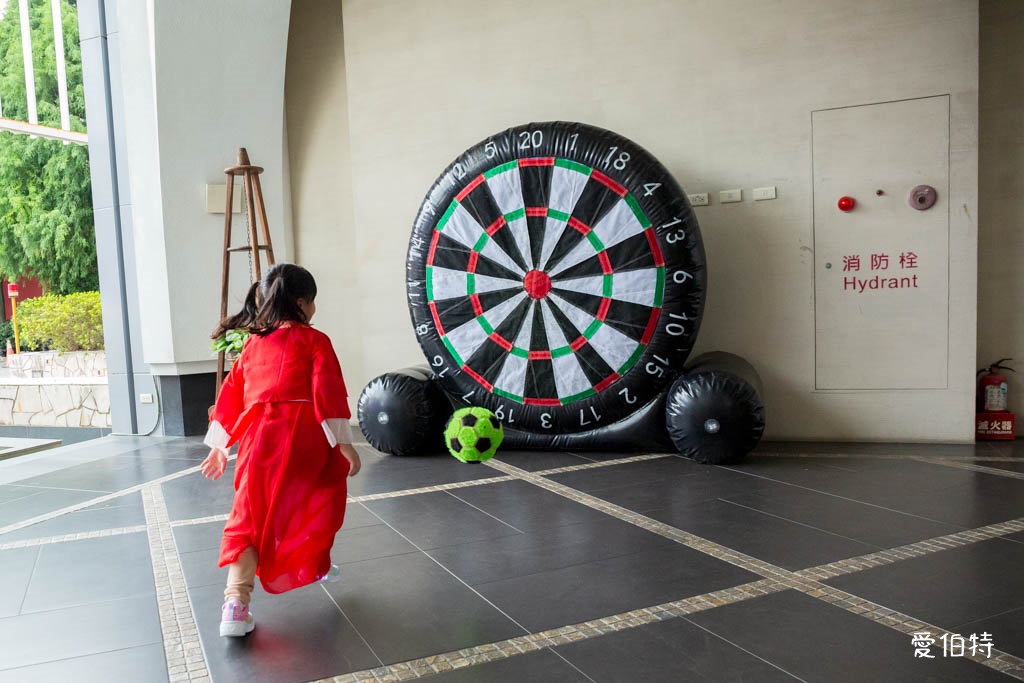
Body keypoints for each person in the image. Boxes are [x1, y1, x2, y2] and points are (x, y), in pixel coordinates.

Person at [200, 263, 361, 638]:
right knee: (318, 495)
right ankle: (314, 561)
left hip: (260, 441)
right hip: (307, 438)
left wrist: (220, 446)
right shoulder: (315, 341)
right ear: (303, 303)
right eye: (314, 302)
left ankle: (235, 607)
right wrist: (345, 444)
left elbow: (231, 396)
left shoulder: (253, 345)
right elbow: (329, 394)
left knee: (249, 518)